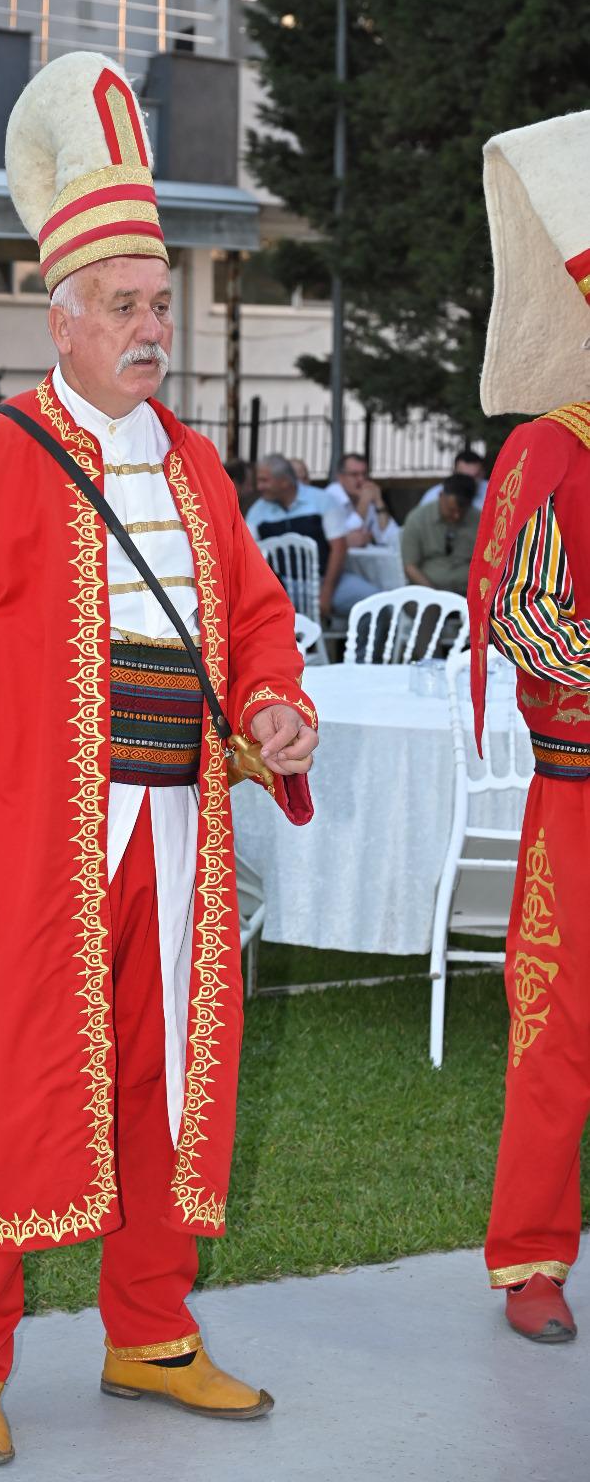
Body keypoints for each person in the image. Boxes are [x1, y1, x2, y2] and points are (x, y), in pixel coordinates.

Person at [0, 51, 318, 1468]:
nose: (149, 328)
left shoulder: (196, 466)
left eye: (157, 305)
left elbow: (251, 618)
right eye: (123, 307)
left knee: (164, 1084)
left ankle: (151, 1333)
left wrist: (276, 705)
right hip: (24, 835)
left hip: (177, 830)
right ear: (60, 317)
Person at [466, 107, 590, 1345]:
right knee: (556, 1028)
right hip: (582, 799)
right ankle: (532, 1259)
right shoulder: (549, 451)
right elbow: (524, 618)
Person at [245, 454, 375, 618]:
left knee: (376, 604)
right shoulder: (257, 511)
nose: (259, 487)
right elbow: (247, 554)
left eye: (264, 481)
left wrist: (327, 592)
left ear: (284, 481)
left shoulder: (322, 501)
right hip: (281, 588)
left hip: (325, 580)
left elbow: (339, 548)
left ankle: (352, 637)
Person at [400, 473, 479, 592]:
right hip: (428, 591)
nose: (456, 516)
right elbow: (410, 567)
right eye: (451, 510)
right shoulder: (417, 519)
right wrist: (434, 595)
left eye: (462, 511)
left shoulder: (480, 520)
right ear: (441, 496)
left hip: (469, 592)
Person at [324, 452, 399, 547]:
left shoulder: (368, 495)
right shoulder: (331, 496)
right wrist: (364, 503)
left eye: (364, 474)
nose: (361, 479)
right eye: (354, 474)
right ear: (340, 477)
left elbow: (393, 537)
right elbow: (341, 538)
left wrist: (378, 501)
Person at [420, 448, 488, 511]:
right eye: (464, 476)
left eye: (475, 476)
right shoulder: (433, 496)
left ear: (483, 473)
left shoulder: (492, 491)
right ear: (454, 473)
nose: (469, 481)